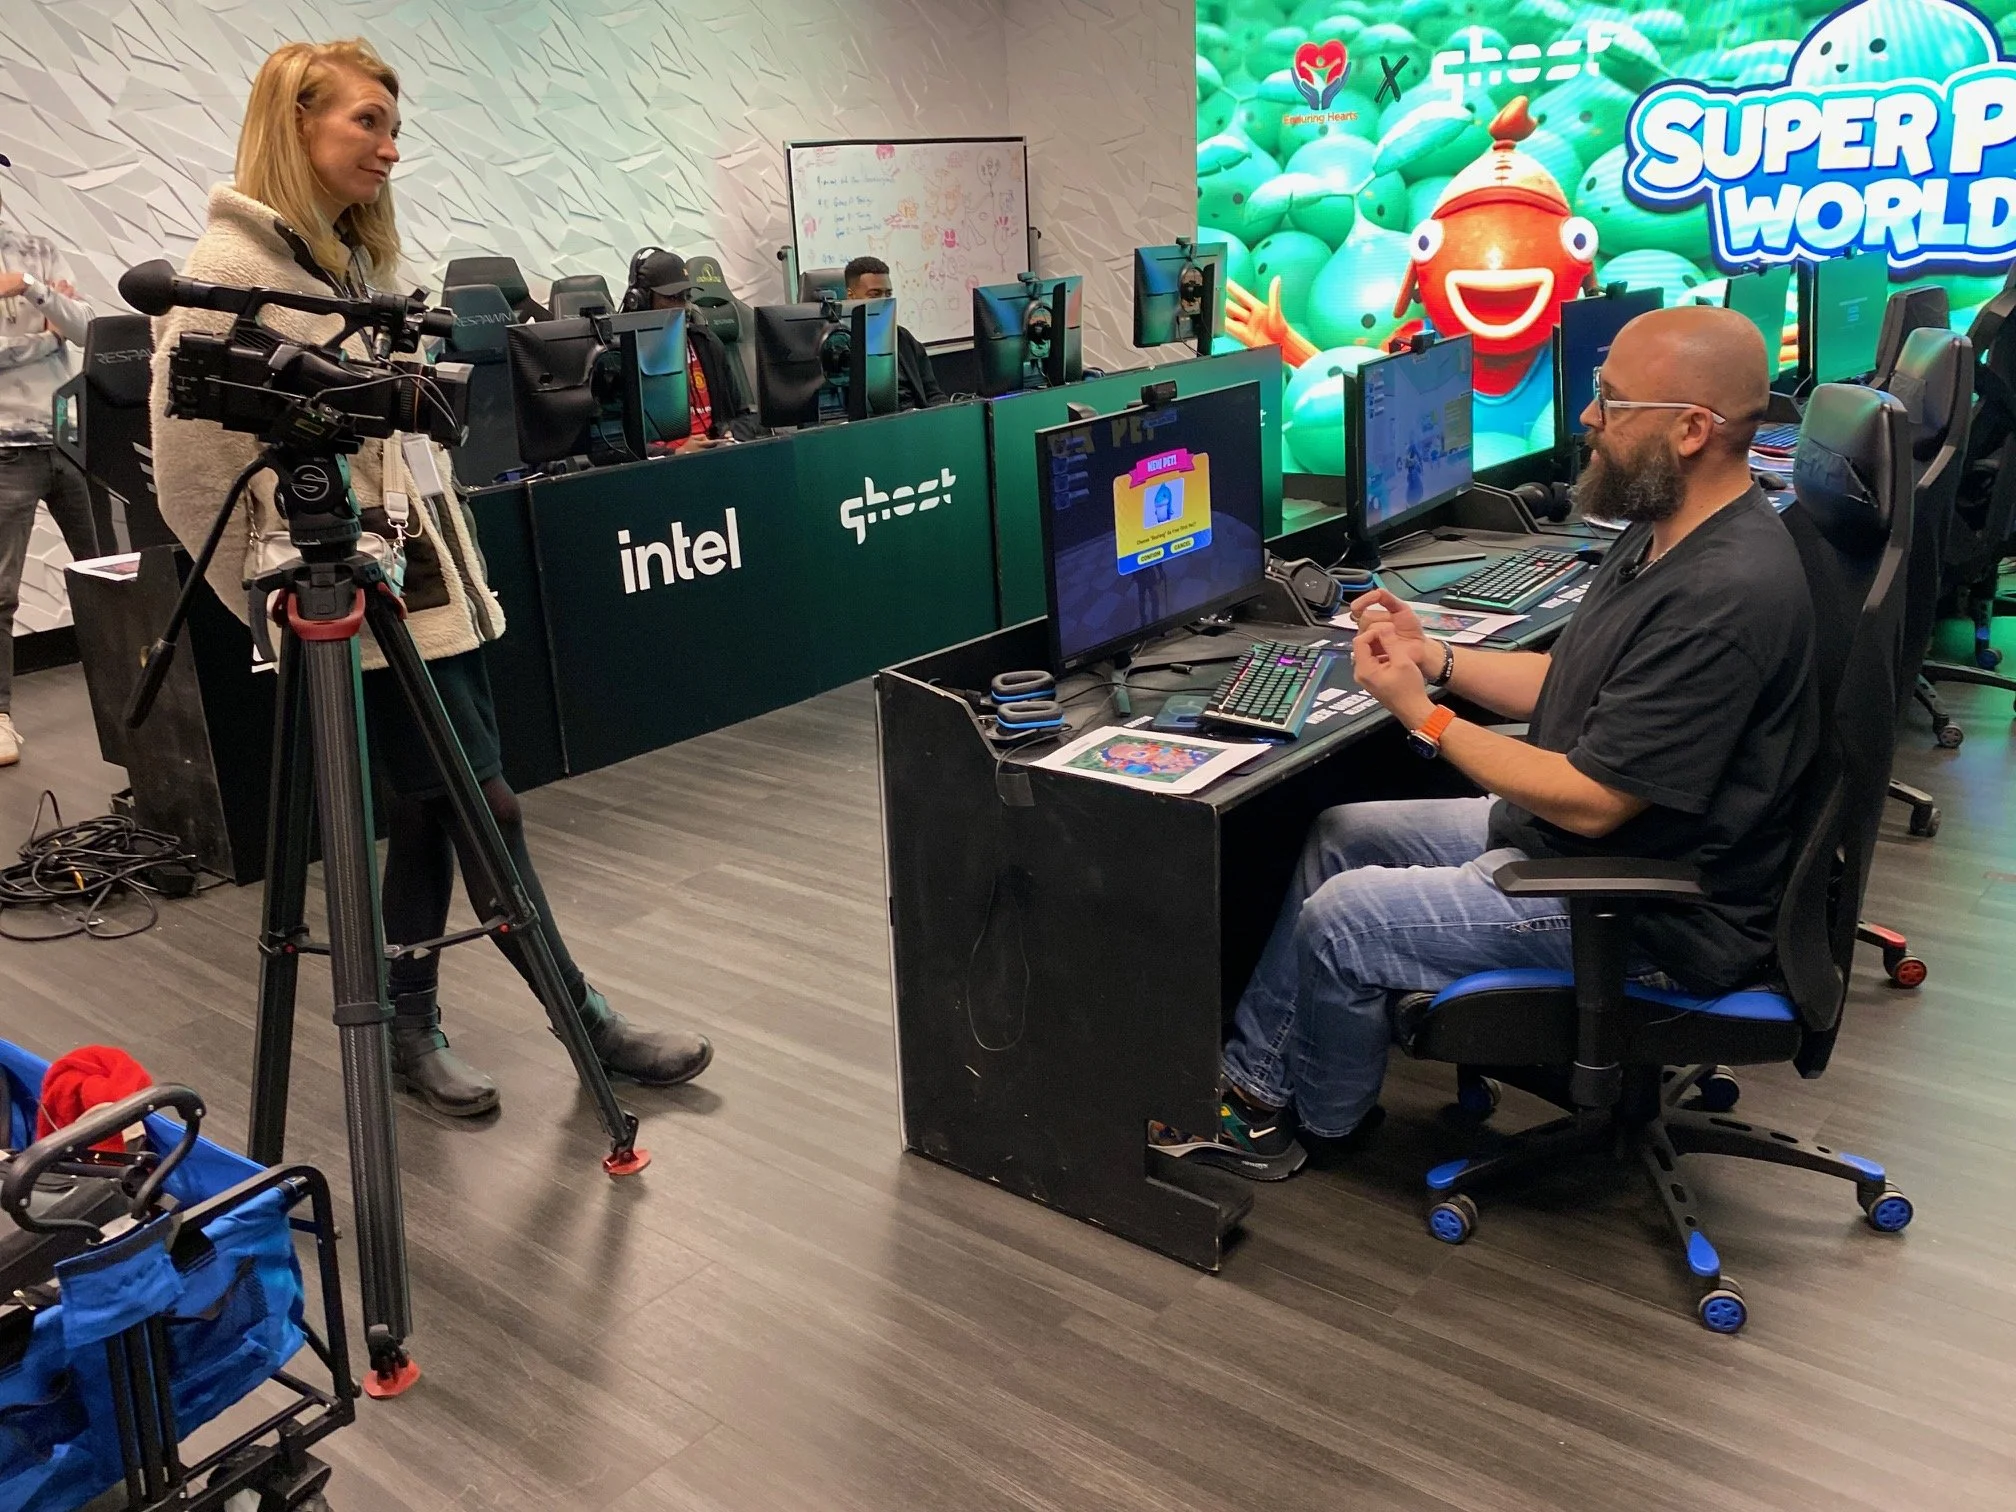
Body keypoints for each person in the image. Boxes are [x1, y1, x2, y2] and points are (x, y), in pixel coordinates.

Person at [150, 39, 713, 1115]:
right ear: (295, 123)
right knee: (483, 807)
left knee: (426, 814)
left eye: (393, 127)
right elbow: (191, 487)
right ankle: (583, 1017)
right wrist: (289, 609)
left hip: (424, 598)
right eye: (366, 122)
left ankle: (412, 1027)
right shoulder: (229, 280)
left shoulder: (342, 265)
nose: (390, 149)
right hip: (352, 612)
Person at [1154, 305, 1817, 1181]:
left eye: (1612, 402)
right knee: (1342, 833)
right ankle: (1260, 1086)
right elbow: (1571, 684)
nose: (1588, 417)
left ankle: (1320, 1120)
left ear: (1692, 430)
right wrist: (1436, 658)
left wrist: (1423, 715)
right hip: (1600, 849)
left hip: (1651, 912)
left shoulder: (1724, 594)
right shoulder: (1668, 534)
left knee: (1342, 919)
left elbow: (1593, 801)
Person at [0, 159, 97, 767]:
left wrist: (29, 287)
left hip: (68, 437)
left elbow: (85, 329)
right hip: (3, 450)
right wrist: (45, 337)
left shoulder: (37, 251)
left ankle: (145, 697)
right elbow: (61, 334)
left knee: (114, 576)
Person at [624, 249, 758, 450]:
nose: (684, 306)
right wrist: (676, 453)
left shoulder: (708, 344)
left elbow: (744, 416)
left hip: (717, 457)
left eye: (685, 297)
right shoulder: (623, 357)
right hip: (664, 465)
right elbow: (614, 447)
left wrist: (732, 434)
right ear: (642, 300)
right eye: (672, 298)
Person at [843, 256, 944, 410]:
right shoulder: (840, 345)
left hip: (916, 419)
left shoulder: (902, 338)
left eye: (888, 294)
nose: (885, 301)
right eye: (875, 294)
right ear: (851, 296)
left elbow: (933, 394)